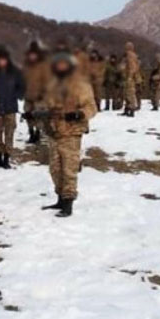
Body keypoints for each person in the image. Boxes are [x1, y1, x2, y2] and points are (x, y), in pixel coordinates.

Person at [34, 51, 97, 217]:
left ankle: (68, 203)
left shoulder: (80, 84)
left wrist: (79, 114)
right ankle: (60, 199)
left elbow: (91, 107)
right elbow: (46, 105)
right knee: (55, 169)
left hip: (71, 132)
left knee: (69, 169)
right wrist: (40, 113)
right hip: (54, 132)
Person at [0, 45, 25, 169]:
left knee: (9, 134)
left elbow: (22, 87)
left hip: (10, 108)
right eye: (0, 59)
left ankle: (7, 158)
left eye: (4, 59)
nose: (2, 62)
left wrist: (16, 95)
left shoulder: (15, 72)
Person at [22, 41, 48, 144]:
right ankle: (31, 133)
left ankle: (38, 133)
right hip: (27, 95)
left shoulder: (43, 66)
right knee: (28, 115)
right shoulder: (26, 66)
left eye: (34, 54)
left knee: (38, 116)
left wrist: (43, 92)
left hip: (39, 96)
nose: (32, 56)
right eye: (31, 54)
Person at [121, 42, 141, 117]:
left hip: (129, 77)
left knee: (130, 93)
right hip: (129, 77)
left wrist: (130, 76)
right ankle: (127, 108)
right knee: (127, 93)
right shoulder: (131, 55)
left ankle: (131, 109)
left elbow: (132, 67)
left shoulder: (130, 55)